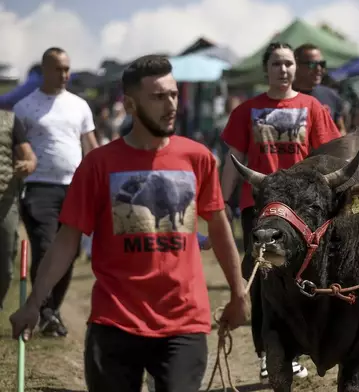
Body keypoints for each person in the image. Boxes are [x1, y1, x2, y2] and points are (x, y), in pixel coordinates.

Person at [9, 54, 249, 392]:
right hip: (115, 322)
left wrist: (238, 293)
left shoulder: (198, 158)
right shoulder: (97, 165)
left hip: (183, 323)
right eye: (158, 97)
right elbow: (66, 241)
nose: (170, 105)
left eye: (174, 94)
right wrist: (35, 303)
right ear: (131, 105)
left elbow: (221, 229)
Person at [219, 42, 342, 384]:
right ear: (266, 69)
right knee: (264, 281)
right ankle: (268, 354)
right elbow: (233, 161)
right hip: (261, 209)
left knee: (304, 281)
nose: (283, 70)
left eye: (288, 64)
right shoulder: (246, 110)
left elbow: (329, 156)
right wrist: (218, 206)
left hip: (304, 214)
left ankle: (296, 352)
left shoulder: (313, 107)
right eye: (276, 64)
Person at [13, 47, 99, 337]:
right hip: (38, 188)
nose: (64, 75)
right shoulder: (25, 107)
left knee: (71, 251)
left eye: (67, 69)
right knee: (46, 247)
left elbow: (92, 147)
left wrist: (103, 179)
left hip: (74, 187)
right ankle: (45, 311)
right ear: (44, 71)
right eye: (58, 69)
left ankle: (50, 311)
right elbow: (15, 148)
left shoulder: (79, 106)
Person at [0, 110, 37, 311]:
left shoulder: (10, 120)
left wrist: (29, 164)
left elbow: (29, 156)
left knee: (5, 264)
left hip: (4, 202)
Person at [292, 43, 348, 135]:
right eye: (312, 64)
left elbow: (340, 130)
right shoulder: (282, 97)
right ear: (296, 65)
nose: (318, 69)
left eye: (322, 64)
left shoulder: (331, 95)